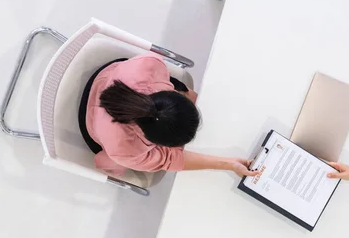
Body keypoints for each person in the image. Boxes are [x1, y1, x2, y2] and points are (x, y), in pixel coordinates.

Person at [79, 54, 255, 177]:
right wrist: (228, 164)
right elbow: (171, 160)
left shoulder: (149, 65)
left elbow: (169, 158)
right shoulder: (126, 150)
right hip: (92, 124)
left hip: (114, 75)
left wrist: (231, 164)